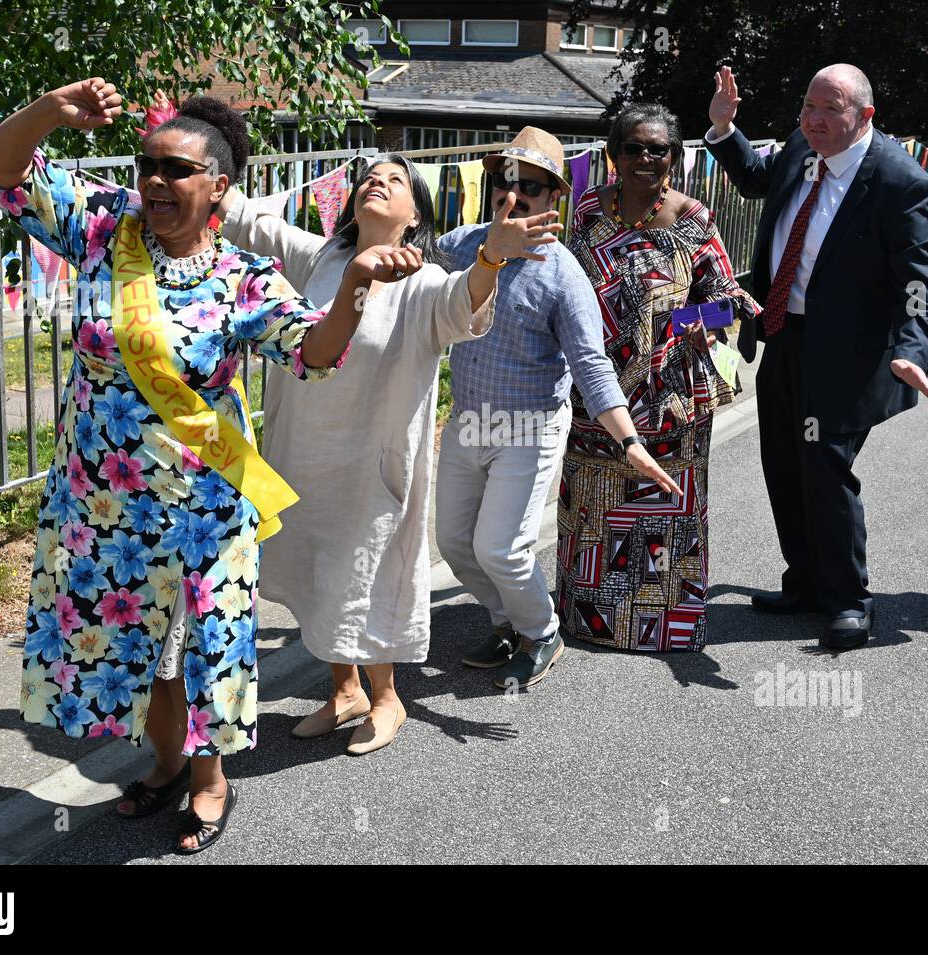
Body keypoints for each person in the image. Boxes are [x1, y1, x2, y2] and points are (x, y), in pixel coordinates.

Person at [0, 78, 410, 853]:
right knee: (140, 646)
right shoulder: (104, 227)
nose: (155, 181)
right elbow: (5, 168)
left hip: (207, 500)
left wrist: (353, 284)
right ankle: (166, 760)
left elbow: (315, 353)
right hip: (102, 500)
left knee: (207, 638)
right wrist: (49, 109)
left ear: (220, 186)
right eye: (149, 164)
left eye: (177, 170)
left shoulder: (243, 276)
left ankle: (210, 778)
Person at [218, 155, 557, 752]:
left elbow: (465, 302)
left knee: (362, 580)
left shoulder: (423, 284)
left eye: (395, 179)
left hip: (371, 468)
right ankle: (343, 690)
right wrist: (187, 165)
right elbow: (243, 216)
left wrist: (492, 257)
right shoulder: (318, 257)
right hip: (303, 458)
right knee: (317, 575)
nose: (377, 180)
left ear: (415, 214)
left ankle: (386, 698)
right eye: (369, 175)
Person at [705, 63, 928, 650]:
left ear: (865, 115)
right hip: (785, 332)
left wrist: (915, 351)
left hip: (852, 352)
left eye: (828, 109)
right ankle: (806, 582)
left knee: (825, 468)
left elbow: (922, 283)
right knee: (783, 462)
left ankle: (848, 600)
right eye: (807, 106)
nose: (813, 120)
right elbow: (759, 179)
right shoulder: (802, 145)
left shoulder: (901, 182)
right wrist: (723, 130)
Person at [435, 126, 682, 688]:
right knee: (453, 541)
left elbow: (592, 366)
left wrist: (631, 443)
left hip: (530, 427)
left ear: (554, 199)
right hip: (469, 422)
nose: (514, 198)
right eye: (505, 184)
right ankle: (507, 620)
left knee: (500, 547)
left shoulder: (564, 275)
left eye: (532, 188)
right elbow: (418, 263)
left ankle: (542, 631)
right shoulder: (467, 243)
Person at [561, 104, 759, 652]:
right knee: (592, 501)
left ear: (674, 157)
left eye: (659, 149)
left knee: (665, 503)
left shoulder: (693, 217)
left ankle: (662, 625)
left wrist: (701, 323)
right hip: (595, 387)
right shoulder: (587, 209)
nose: (646, 159)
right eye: (634, 148)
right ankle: (587, 618)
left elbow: (727, 299)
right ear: (613, 155)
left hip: (669, 387)